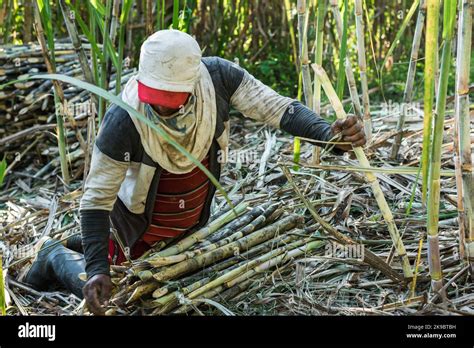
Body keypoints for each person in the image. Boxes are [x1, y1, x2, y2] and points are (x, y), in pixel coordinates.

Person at [20, 29, 366, 315]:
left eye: (167, 99)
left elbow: (278, 109)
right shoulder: (124, 118)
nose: (156, 107)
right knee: (121, 291)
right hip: (137, 231)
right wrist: (96, 271)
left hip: (189, 226)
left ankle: (85, 246)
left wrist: (328, 136)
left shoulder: (217, 81)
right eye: (152, 97)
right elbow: (96, 199)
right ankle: (54, 255)